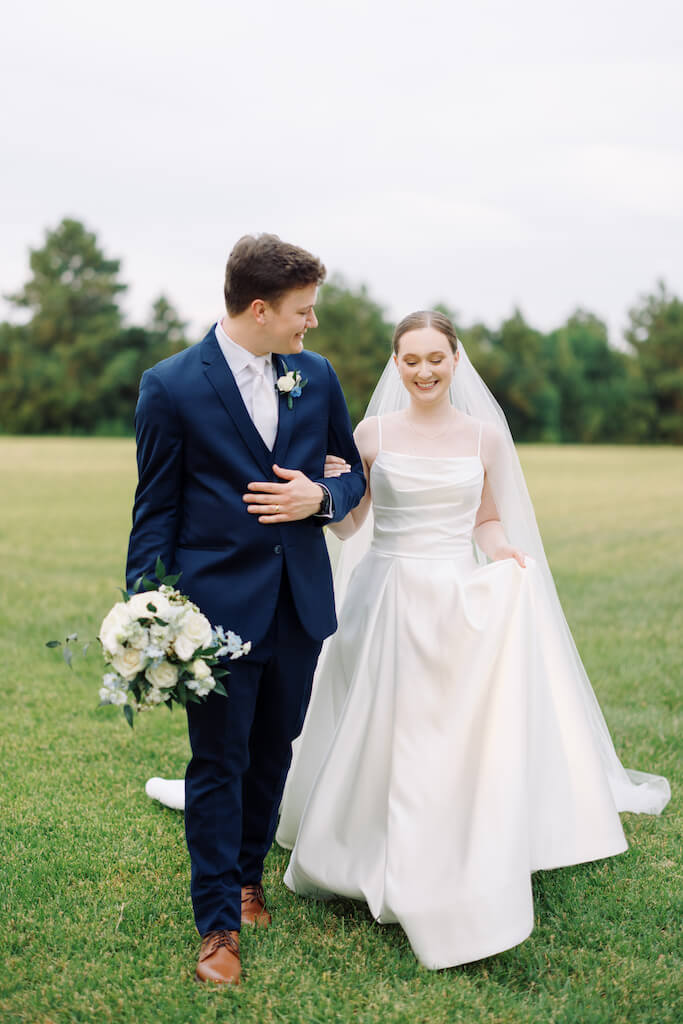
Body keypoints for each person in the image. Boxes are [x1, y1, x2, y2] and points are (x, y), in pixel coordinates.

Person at [274, 310, 671, 970]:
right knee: (380, 719)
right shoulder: (370, 434)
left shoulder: (484, 439)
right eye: (411, 359)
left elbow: (484, 519)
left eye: (435, 357)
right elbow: (352, 528)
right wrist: (324, 496)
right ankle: (360, 842)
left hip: (453, 592)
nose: (424, 370)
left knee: (444, 725)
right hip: (386, 591)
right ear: (395, 364)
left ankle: (449, 838)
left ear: (455, 360)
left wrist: (503, 553)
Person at [126, 234, 366, 985]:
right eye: (303, 311)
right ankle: (217, 928)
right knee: (218, 761)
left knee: (273, 752)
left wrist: (318, 497)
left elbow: (352, 474)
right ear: (259, 310)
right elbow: (154, 511)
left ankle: (248, 875)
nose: (311, 325)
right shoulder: (170, 386)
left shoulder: (316, 376)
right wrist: (149, 613)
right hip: (213, 612)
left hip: (297, 605)